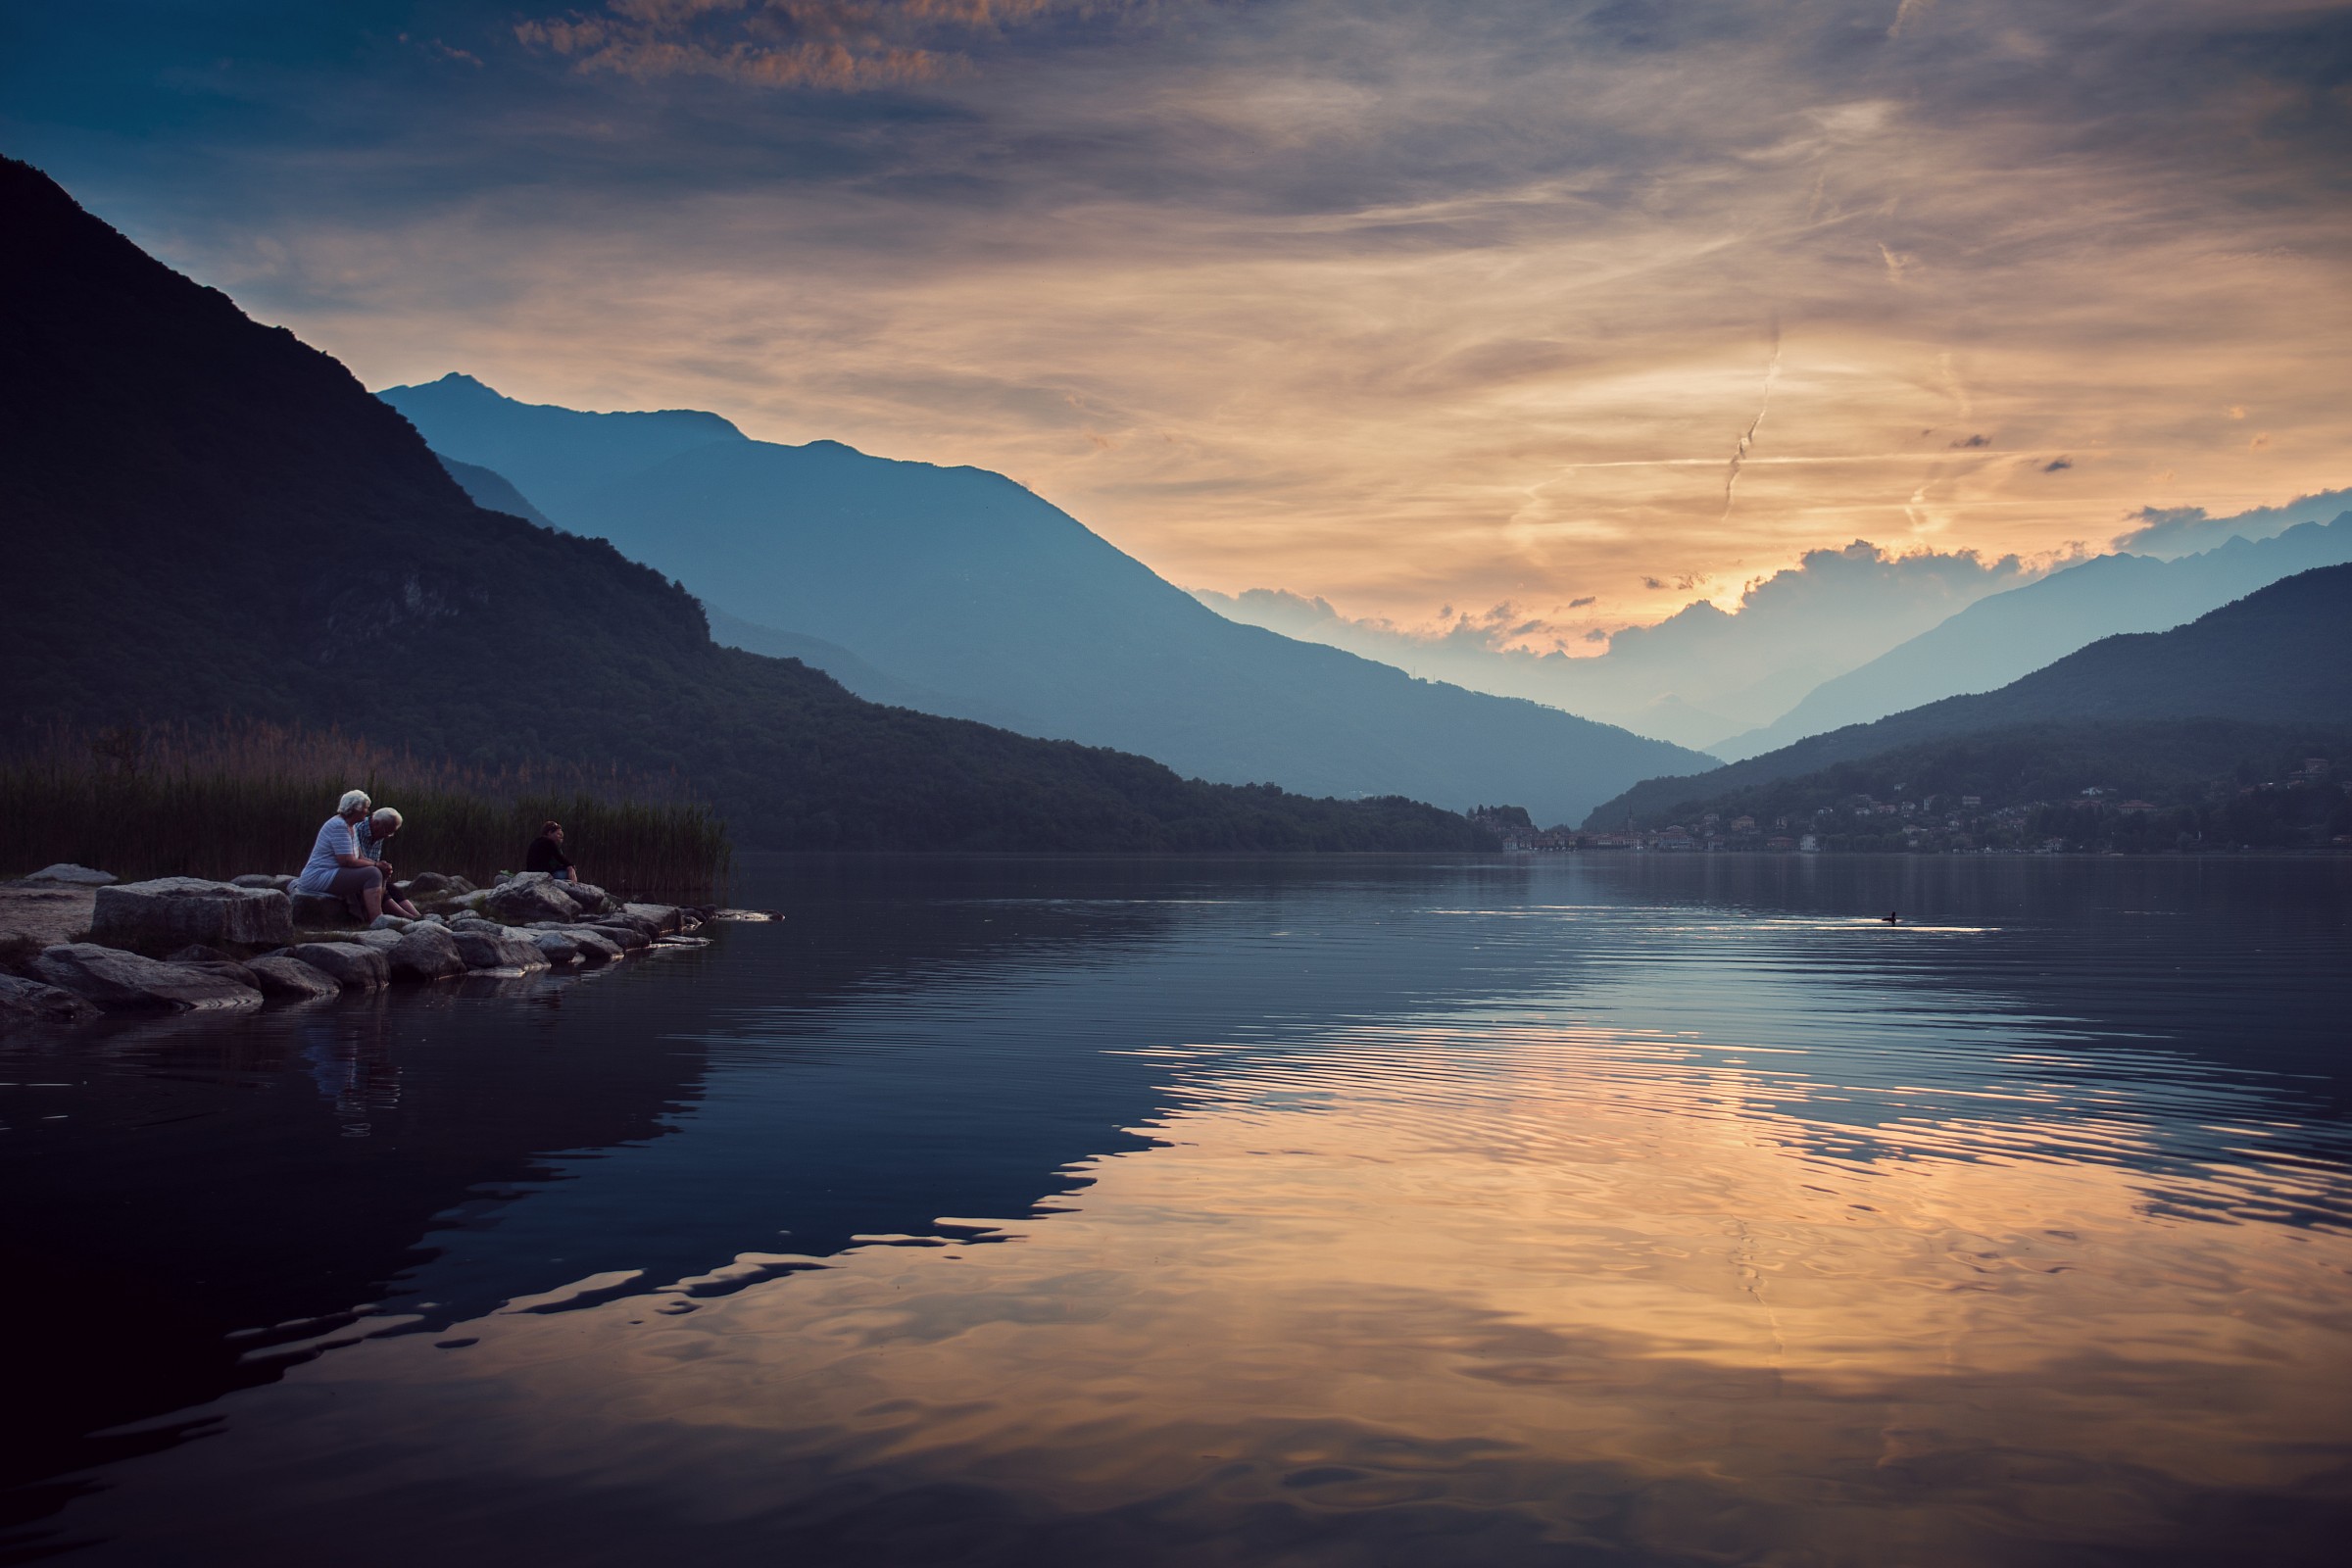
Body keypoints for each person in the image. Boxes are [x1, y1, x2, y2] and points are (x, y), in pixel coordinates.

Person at [294, 790, 386, 922]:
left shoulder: (351, 826)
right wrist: (376, 866)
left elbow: (360, 857)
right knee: (373, 873)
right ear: (356, 809)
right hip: (319, 875)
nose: (367, 811)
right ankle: (376, 919)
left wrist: (381, 865)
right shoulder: (338, 826)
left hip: (331, 872)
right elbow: (346, 861)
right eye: (365, 808)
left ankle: (372, 917)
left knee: (377, 871)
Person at [356, 807, 421, 919]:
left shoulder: (378, 833)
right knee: (376, 883)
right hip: (357, 873)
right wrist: (378, 867)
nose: (387, 836)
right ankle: (409, 919)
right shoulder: (357, 830)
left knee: (392, 889)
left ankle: (418, 917)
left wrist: (383, 868)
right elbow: (356, 860)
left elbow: (374, 860)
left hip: (370, 871)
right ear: (376, 823)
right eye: (387, 832)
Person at [525, 820, 579, 884]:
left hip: (530, 873)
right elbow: (560, 858)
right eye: (557, 834)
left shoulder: (535, 842)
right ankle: (574, 886)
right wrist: (571, 865)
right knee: (570, 869)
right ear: (550, 833)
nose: (559, 836)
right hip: (542, 874)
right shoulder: (549, 843)